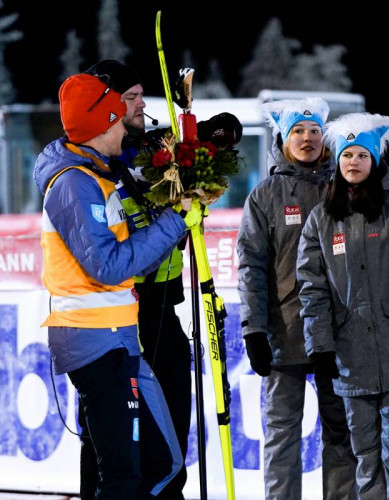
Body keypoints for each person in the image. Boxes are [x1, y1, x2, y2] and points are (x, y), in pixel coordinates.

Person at [77, 59, 243, 500]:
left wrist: (212, 143)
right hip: (116, 315)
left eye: (140, 95)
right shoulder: (97, 158)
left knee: (171, 429)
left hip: (164, 308)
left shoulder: (153, 144)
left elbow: (207, 138)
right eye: (129, 97)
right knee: (112, 442)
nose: (140, 104)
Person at [34, 73, 202, 499]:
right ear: (99, 126)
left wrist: (176, 208)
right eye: (116, 118)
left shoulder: (99, 176)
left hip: (120, 341)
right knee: (122, 478)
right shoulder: (75, 183)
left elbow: (127, 256)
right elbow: (107, 266)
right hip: (96, 344)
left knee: (163, 463)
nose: (124, 124)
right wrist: (175, 219)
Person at [297, 113, 389, 499]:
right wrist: (321, 345)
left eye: (362, 155)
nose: (353, 163)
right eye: (347, 155)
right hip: (351, 361)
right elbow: (311, 288)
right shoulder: (320, 220)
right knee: (365, 458)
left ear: (375, 160)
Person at [236, 98, 357, 500]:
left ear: (326, 139)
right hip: (282, 332)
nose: (307, 139)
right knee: (282, 436)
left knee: (341, 433)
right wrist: (253, 328)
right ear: (284, 140)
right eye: (298, 132)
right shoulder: (266, 195)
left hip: (338, 335)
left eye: (314, 131)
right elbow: (250, 265)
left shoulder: (345, 187)